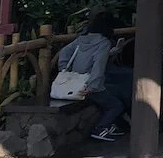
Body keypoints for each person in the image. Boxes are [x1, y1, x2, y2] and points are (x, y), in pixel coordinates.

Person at [57, 11, 133, 142]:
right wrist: (93, 87)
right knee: (116, 104)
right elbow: (98, 65)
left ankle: (114, 126)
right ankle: (100, 128)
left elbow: (65, 52)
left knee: (116, 94)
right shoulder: (103, 42)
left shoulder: (81, 39)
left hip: (75, 84)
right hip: (90, 85)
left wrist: (64, 69)